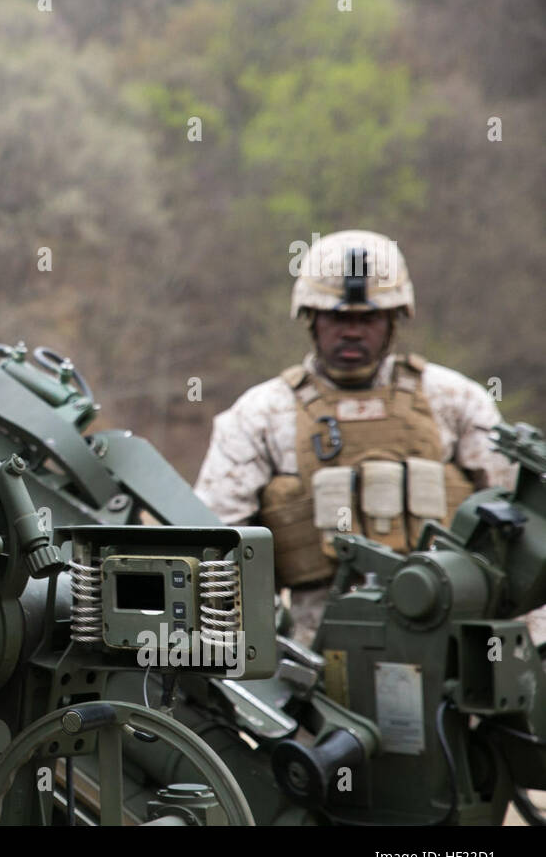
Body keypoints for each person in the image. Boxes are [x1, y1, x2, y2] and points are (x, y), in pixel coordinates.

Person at [193, 230, 517, 645]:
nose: (352, 332)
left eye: (368, 319)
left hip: (451, 644)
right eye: (338, 318)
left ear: (393, 322)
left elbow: (514, 531)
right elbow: (215, 545)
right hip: (310, 654)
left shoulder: (455, 400)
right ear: (311, 319)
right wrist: (261, 646)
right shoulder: (260, 414)